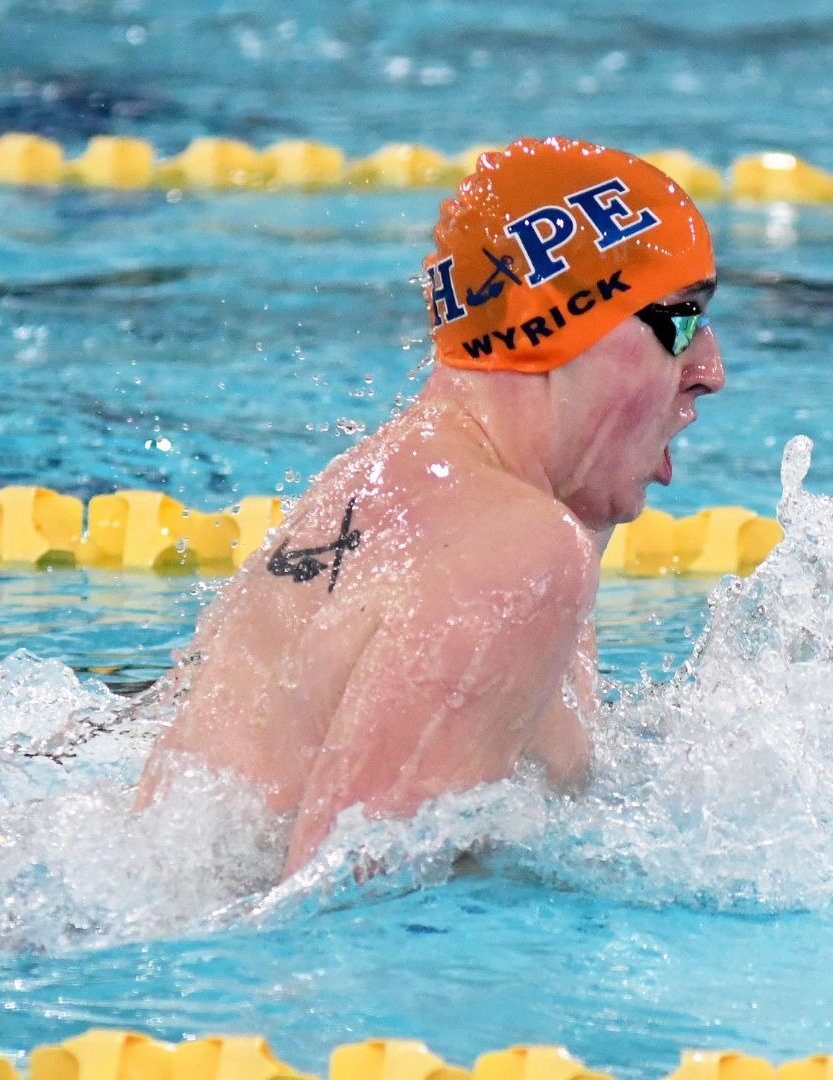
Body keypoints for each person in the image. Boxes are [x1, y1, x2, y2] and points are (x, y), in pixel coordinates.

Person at [136, 136, 724, 877]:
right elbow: (339, 918)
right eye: (680, 320)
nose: (710, 370)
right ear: (556, 321)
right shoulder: (520, 552)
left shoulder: (396, 484)